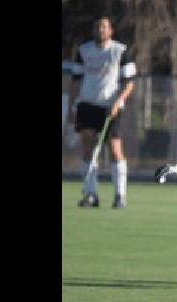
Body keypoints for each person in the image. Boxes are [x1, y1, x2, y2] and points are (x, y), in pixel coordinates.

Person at [69, 15, 136, 209]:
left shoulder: (120, 50)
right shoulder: (83, 51)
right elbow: (75, 81)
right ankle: (91, 194)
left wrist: (118, 102)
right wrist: (72, 107)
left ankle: (120, 195)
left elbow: (129, 82)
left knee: (115, 149)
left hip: (111, 107)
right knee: (88, 148)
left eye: (104, 27)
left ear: (110, 30)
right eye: (97, 27)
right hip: (88, 105)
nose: (100, 30)